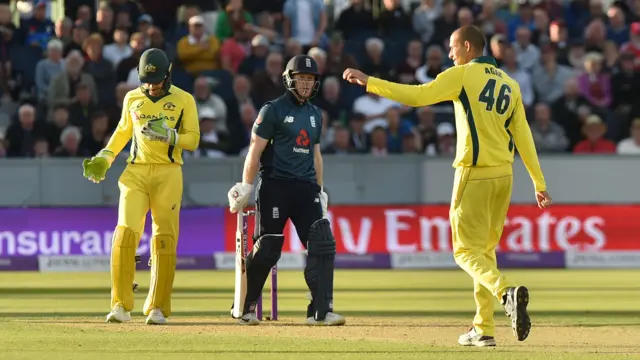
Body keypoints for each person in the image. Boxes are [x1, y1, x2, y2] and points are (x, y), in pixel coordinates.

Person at [343, 25, 553, 346]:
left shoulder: (464, 75)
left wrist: (370, 82)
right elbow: (522, 134)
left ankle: (505, 291)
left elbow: (417, 96)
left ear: (469, 47)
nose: (451, 54)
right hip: (504, 176)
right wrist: (538, 181)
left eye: (454, 48)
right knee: (484, 253)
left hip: (474, 171)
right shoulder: (510, 84)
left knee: (464, 252)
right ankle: (483, 329)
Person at [81, 48, 200, 325]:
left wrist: (169, 135)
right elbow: (123, 130)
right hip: (135, 172)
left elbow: (193, 139)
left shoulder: (184, 100)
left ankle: (158, 307)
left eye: (157, 80)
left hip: (168, 173)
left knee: (164, 239)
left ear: (168, 74)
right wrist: (105, 157)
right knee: (124, 235)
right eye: (147, 81)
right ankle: (120, 305)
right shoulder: (132, 97)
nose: (152, 86)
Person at [227, 54, 344, 327]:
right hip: (275, 186)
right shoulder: (273, 109)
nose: (305, 85)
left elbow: (316, 156)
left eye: (310, 79)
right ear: (289, 80)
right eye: (301, 79)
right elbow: (254, 151)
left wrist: (320, 189)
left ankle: (321, 310)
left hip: (305, 190)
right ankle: (245, 305)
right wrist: (246, 184)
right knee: (268, 247)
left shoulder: (316, 114)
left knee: (323, 242)